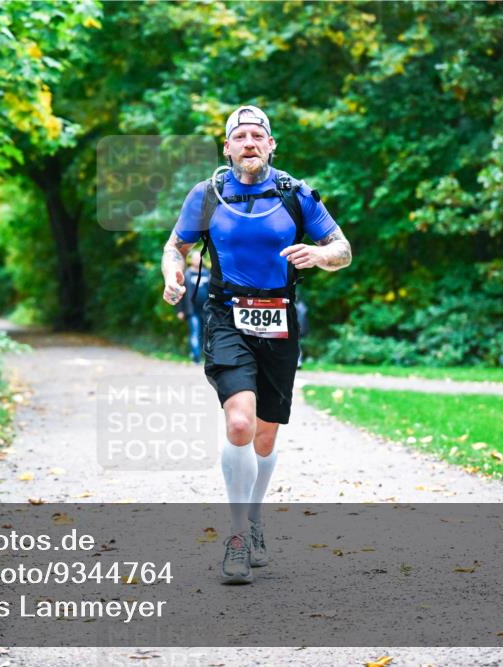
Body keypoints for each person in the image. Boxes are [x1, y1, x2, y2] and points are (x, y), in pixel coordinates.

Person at [161, 105, 352, 584]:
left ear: (271, 145)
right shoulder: (207, 195)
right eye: (239, 136)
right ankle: (237, 533)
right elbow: (174, 246)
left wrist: (320, 255)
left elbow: (343, 249)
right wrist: (173, 274)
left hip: (280, 318)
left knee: (266, 435)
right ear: (227, 148)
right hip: (227, 315)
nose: (248, 142)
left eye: (256, 136)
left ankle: (256, 516)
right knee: (241, 423)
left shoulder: (295, 194)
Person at [175, 250, 210, 362]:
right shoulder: (186, 275)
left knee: (207, 333)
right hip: (192, 310)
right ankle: (196, 357)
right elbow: (180, 293)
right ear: (191, 260)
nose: (198, 260)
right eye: (195, 258)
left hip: (206, 309)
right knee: (195, 332)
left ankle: (209, 358)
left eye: (199, 258)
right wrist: (180, 310)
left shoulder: (207, 273)